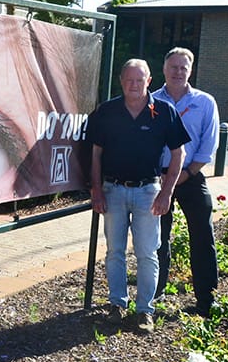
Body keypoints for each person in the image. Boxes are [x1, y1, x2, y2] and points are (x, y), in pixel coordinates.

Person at [86, 59, 189, 334]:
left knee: (147, 253)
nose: (134, 84)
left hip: (148, 192)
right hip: (113, 190)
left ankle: (145, 310)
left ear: (149, 81)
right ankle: (117, 305)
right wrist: (96, 189)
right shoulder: (106, 112)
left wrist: (167, 192)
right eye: (129, 79)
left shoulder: (164, 111)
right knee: (114, 253)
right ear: (121, 81)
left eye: (139, 79)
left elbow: (179, 154)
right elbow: (95, 153)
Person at [153, 47, 220, 317]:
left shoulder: (205, 102)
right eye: (173, 67)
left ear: (190, 71)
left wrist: (187, 173)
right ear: (164, 69)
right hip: (157, 177)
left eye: (184, 67)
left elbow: (209, 144)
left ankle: (207, 299)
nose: (178, 72)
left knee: (202, 236)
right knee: (157, 239)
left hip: (191, 175)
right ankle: (153, 294)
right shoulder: (151, 100)